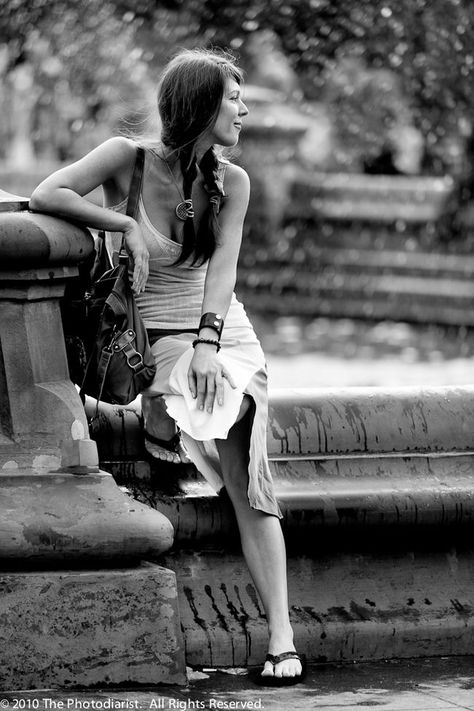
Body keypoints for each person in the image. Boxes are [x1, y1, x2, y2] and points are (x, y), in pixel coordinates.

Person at [30, 48, 305, 686]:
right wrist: (120, 226)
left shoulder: (231, 182)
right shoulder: (127, 158)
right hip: (151, 336)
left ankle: (282, 636)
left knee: (240, 436)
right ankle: (162, 414)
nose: (245, 109)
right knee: (197, 392)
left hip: (219, 333)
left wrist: (211, 342)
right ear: (202, 104)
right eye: (235, 98)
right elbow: (50, 193)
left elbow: (224, 273)